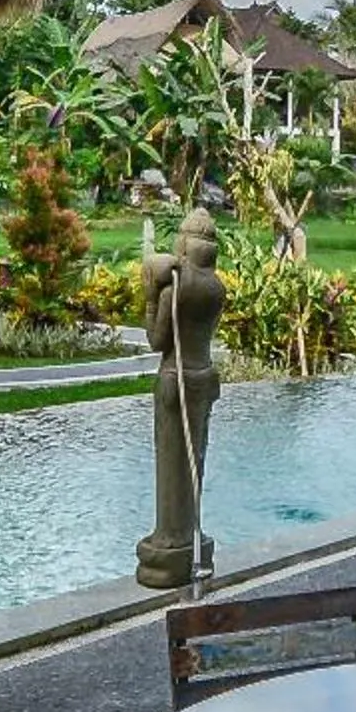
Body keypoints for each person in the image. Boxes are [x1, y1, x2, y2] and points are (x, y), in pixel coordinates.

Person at [134, 207, 226, 590]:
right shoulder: (216, 288)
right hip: (204, 375)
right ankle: (191, 534)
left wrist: (151, 297)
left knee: (172, 464)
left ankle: (172, 539)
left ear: (184, 245)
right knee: (194, 462)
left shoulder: (176, 287)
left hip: (176, 378)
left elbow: (157, 341)